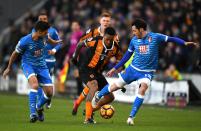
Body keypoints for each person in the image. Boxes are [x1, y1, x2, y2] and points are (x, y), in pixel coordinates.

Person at [92, 18, 198, 125]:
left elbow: (171, 39)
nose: (133, 33)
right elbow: (127, 56)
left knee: (142, 89)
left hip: (146, 72)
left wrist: (184, 42)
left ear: (141, 29)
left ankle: (131, 117)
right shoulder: (134, 40)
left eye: (134, 31)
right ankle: (98, 95)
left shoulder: (155, 37)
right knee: (115, 86)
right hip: (132, 69)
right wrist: (115, 68)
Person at [3, 21, 62, 123]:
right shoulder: (25, 41)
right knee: (34, 85)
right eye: (45, 32)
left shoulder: (44, 35)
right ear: (39, 31)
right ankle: (33, 114)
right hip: (28, 65)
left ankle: (38, 107)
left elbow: (49, 40)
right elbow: (15, 54)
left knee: (50, 93)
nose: (47, 33)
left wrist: (55, 43)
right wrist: (8, 68)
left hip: (42, 66)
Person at [72, 12, 120, 115]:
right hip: (87, 64)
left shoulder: (114, 38)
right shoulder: (93, 33)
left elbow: (117, 54)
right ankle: (88, 114)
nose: (106, 22)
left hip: (100, 67)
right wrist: (76, 59)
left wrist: (116, 65)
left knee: (94, 87)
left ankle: (80, 103)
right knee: (93, 86)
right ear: (100, 21)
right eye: (104, 20)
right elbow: (80, 43)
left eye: (108, 21)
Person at [33, 13, 62, 109]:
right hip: (37, 60)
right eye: (40, 19)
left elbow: (59, 43)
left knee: (46, 80)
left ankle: (47, 98)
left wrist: (54, 50)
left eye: (44, 18)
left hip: (49, 60)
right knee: (38, 81)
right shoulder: (34, 31)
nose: (42, 20)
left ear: (47, 20)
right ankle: (43, 101)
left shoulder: (53, 31)